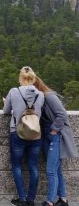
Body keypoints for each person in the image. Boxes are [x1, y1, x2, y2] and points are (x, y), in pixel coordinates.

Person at [3, 66, 44, 206]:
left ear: (20, 78)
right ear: (33, 78)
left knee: (17, 166)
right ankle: (31, 199)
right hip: (35, 134)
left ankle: (22, 198)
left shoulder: (14, 91)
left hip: (17, 132)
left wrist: (10, 104)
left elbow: (6, 111)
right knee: (33, 167)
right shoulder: (40, 94)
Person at [33, 76, 78, 206]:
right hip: (47, 136)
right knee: (57, 170)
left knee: (51, 170)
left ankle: (50, 201)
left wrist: (54, 130)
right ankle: (63, 199)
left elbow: (62, 114)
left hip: (56, 136)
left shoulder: (49, 96)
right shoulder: (38, 98)